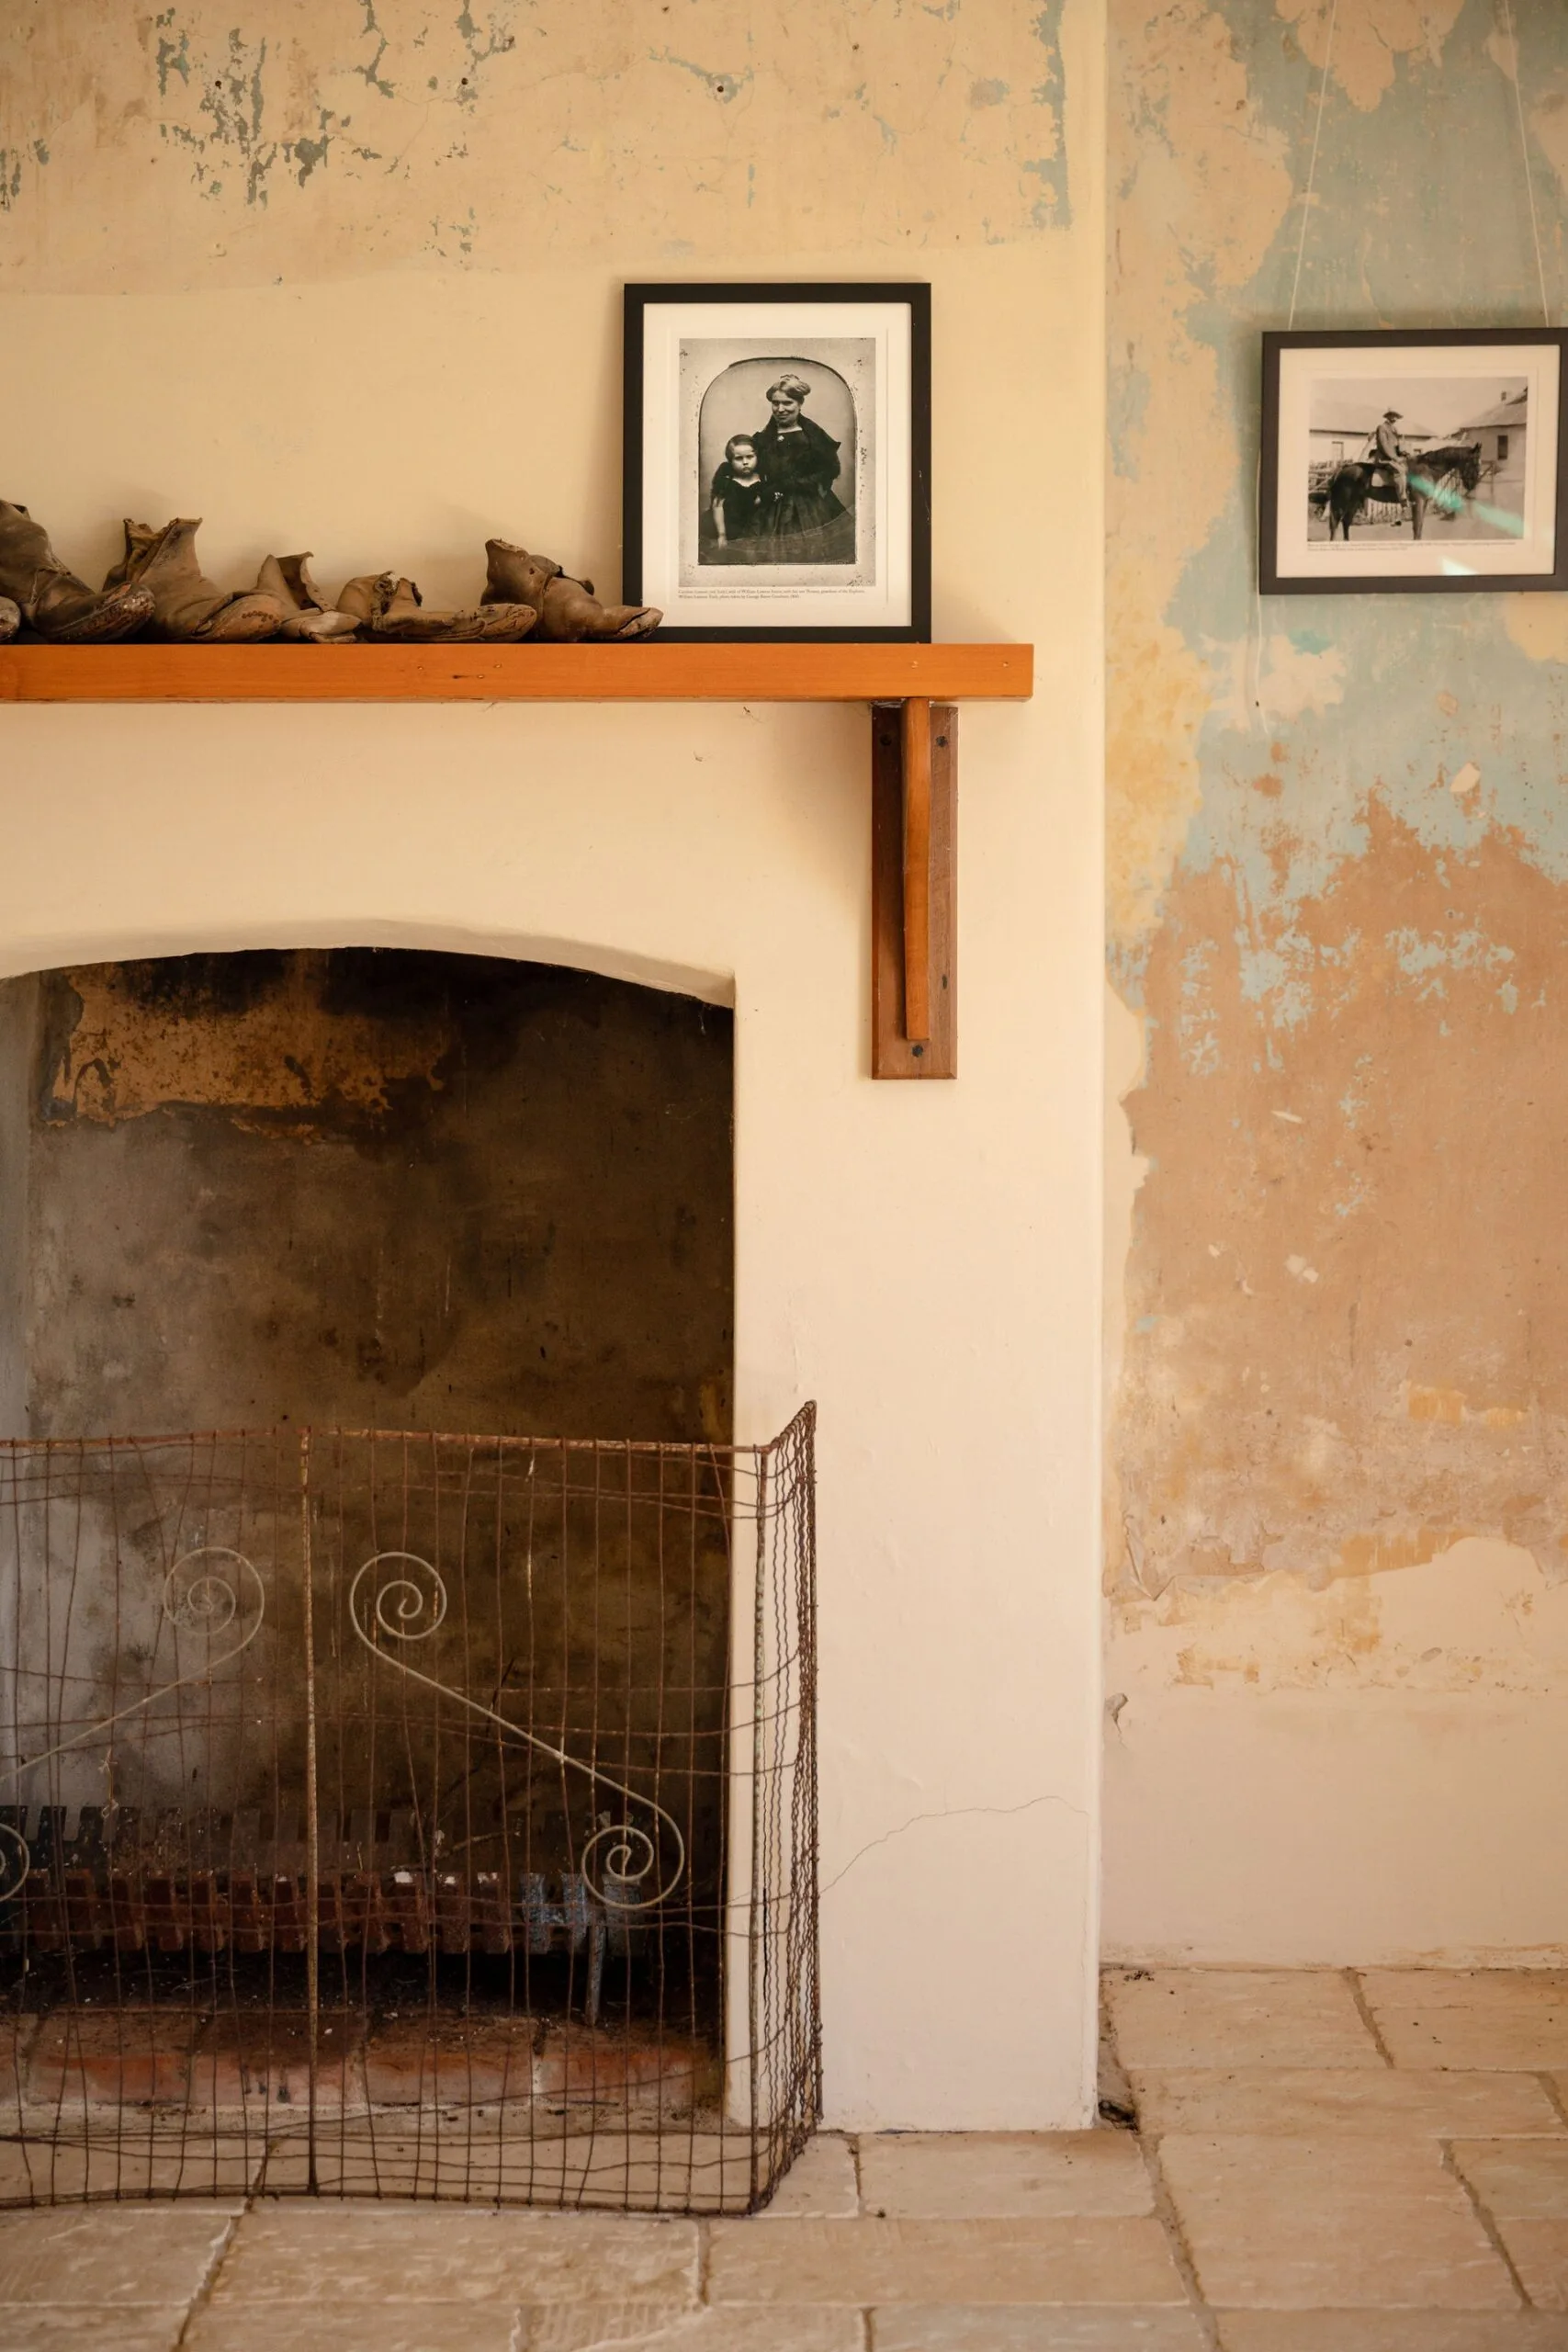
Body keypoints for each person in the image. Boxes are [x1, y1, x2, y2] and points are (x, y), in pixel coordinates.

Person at [751, 372, 853, 563]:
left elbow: (830, 470)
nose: (780, 409)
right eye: (775, 403)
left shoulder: (813, 435)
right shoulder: (763, 437)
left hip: (809, 505)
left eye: (787, 403)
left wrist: (794, 484)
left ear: (799, 404)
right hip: (771, 504)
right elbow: (751, 468)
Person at [708, 435, 772, 553]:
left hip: (756, 529)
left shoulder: (763, 477)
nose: (745, 462)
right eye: (738, 458)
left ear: (757, 456)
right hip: (730, 527)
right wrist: (722, 534)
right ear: (730, 460)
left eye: (750, 457)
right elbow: (717, 505)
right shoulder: (726, 478)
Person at [1369, 409, 1409, 504]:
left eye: (1397, 416)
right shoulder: (1382, 428)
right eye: (1393, 416)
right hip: (1384, 459)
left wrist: (1404, 453)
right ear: (1388, 416)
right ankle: (1402, 498)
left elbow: (1396, 445)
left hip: (1393, 458)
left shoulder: (1394, 430)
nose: (1395, 418)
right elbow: (1384, 445)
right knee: (1400, 470)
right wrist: (1395, 458)